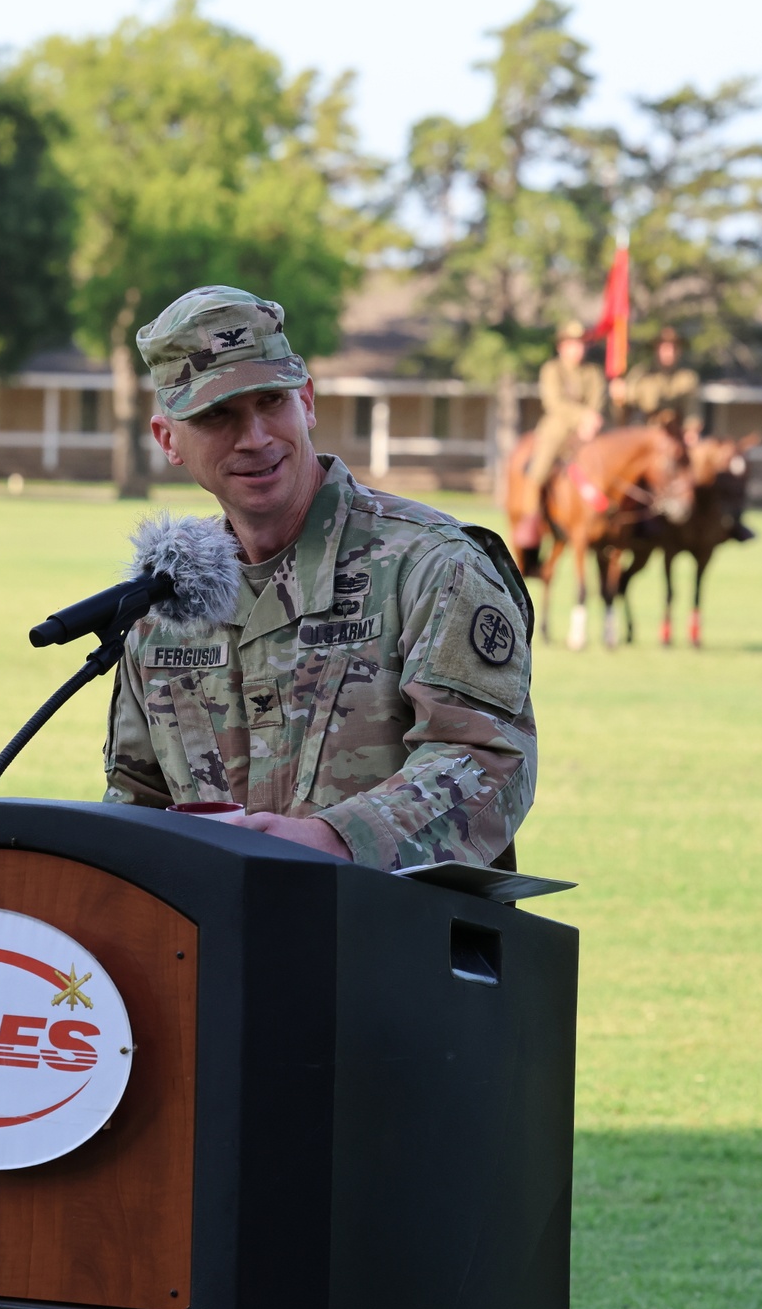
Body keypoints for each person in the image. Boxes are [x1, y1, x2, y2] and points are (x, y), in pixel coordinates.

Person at [103, 285, 536, 871]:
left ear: (306, 402)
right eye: (217, 416)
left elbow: (487, 759)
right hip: (209, 948)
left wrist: (339, 840)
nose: (254, 437)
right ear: (167, 440)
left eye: (271, 403)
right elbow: (137, 804)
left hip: (384, 943)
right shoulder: (166, 603)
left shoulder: (432, 566)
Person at [515, 321, 606, 547]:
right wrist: (583, 416)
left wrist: (591, 420)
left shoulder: (593, 372)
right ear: (561, 347)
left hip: (588, 431)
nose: (578, 349)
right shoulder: (552, 369)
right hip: (557, 427)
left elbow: (598, 400)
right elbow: (554, 402)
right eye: (572, 344)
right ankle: (530, 517)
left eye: (581, 344)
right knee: (541, 465)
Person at [610, 326, 703, 444]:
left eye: (673, 348)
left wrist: (691, 430)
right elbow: (624, 406)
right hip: (644, 432)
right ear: (657, 349)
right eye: (665, 348)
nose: (669, 352)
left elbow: (692, 410)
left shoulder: (687, 378)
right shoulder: (641, 374)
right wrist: (619, 396)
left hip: (673, 435)